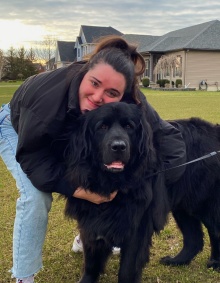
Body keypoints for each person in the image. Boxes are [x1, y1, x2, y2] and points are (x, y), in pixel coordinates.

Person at [0, 35, 186, 283]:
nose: (99, 97)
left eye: (111, 92)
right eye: (94, 83)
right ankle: (24, 275)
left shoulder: (131, 99)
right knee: (36, 195)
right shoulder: (45, 100)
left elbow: (170, 140)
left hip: (73, 129)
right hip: (21, 128)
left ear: (124, 94)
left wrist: (152, 179)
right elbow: (34, 160)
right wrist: (78, 191)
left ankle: (90, 234)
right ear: (86, 71)